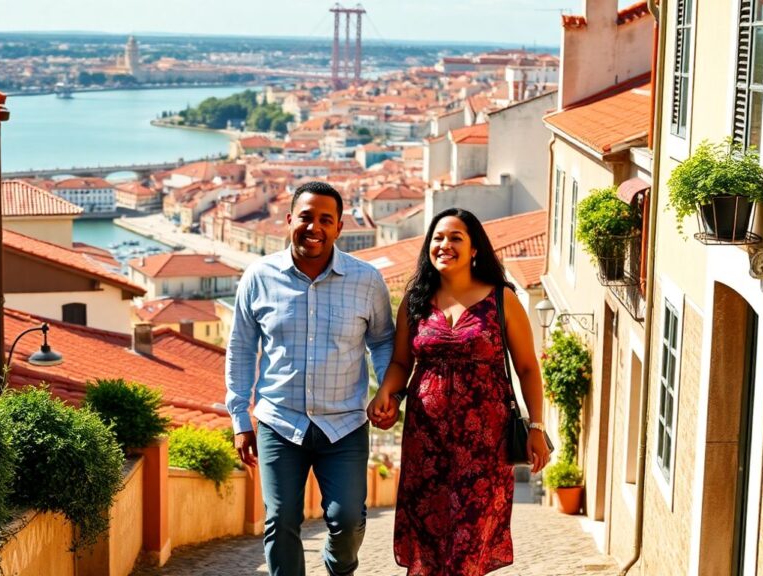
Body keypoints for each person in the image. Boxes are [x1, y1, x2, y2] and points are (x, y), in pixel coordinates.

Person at [368, 207, 551, 576]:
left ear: (474, 250)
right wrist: (385, 394)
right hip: (426, 443)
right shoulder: (415, 302)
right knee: (430, 541)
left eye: (455, 238)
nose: (444, 245)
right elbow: (402, 363)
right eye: (438, 238)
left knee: (468, 542)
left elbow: (528, 367)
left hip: (484, 446)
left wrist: (536, 427)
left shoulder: (502, 300)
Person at [226, 181, 395, 576]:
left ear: (339, 227)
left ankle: (338, 570)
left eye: (325, 219)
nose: (313, 227)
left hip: (345, 423)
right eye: (305, 217)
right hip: (279, 421)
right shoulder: (258, 277)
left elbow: (384, 342)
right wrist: (239, 418)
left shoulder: (367, 280)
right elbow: (241, 350)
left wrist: (388, 392)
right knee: (281, 519)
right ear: (289, 221)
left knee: (349, 519)